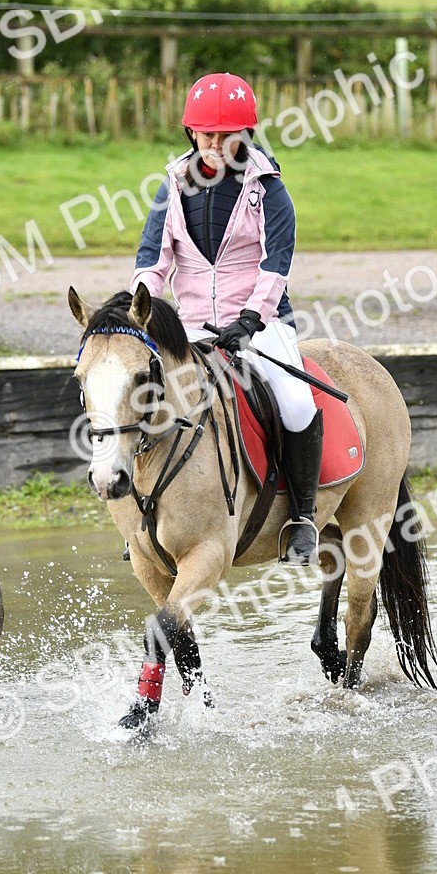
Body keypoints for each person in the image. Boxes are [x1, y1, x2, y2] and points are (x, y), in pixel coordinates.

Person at [130, 71, 323, 563]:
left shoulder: (269, 190)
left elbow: (276, 265)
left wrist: (251, 320)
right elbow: (154, 262)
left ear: (246, 134)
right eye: (206, 134)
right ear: (190, 132)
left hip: (260, 325)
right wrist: (137, 308)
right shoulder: (172, 186)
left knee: (298, 404)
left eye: (227, 135)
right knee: (143, 398)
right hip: (190, 327)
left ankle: (302, 516)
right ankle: (142, 519)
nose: (215, 145)